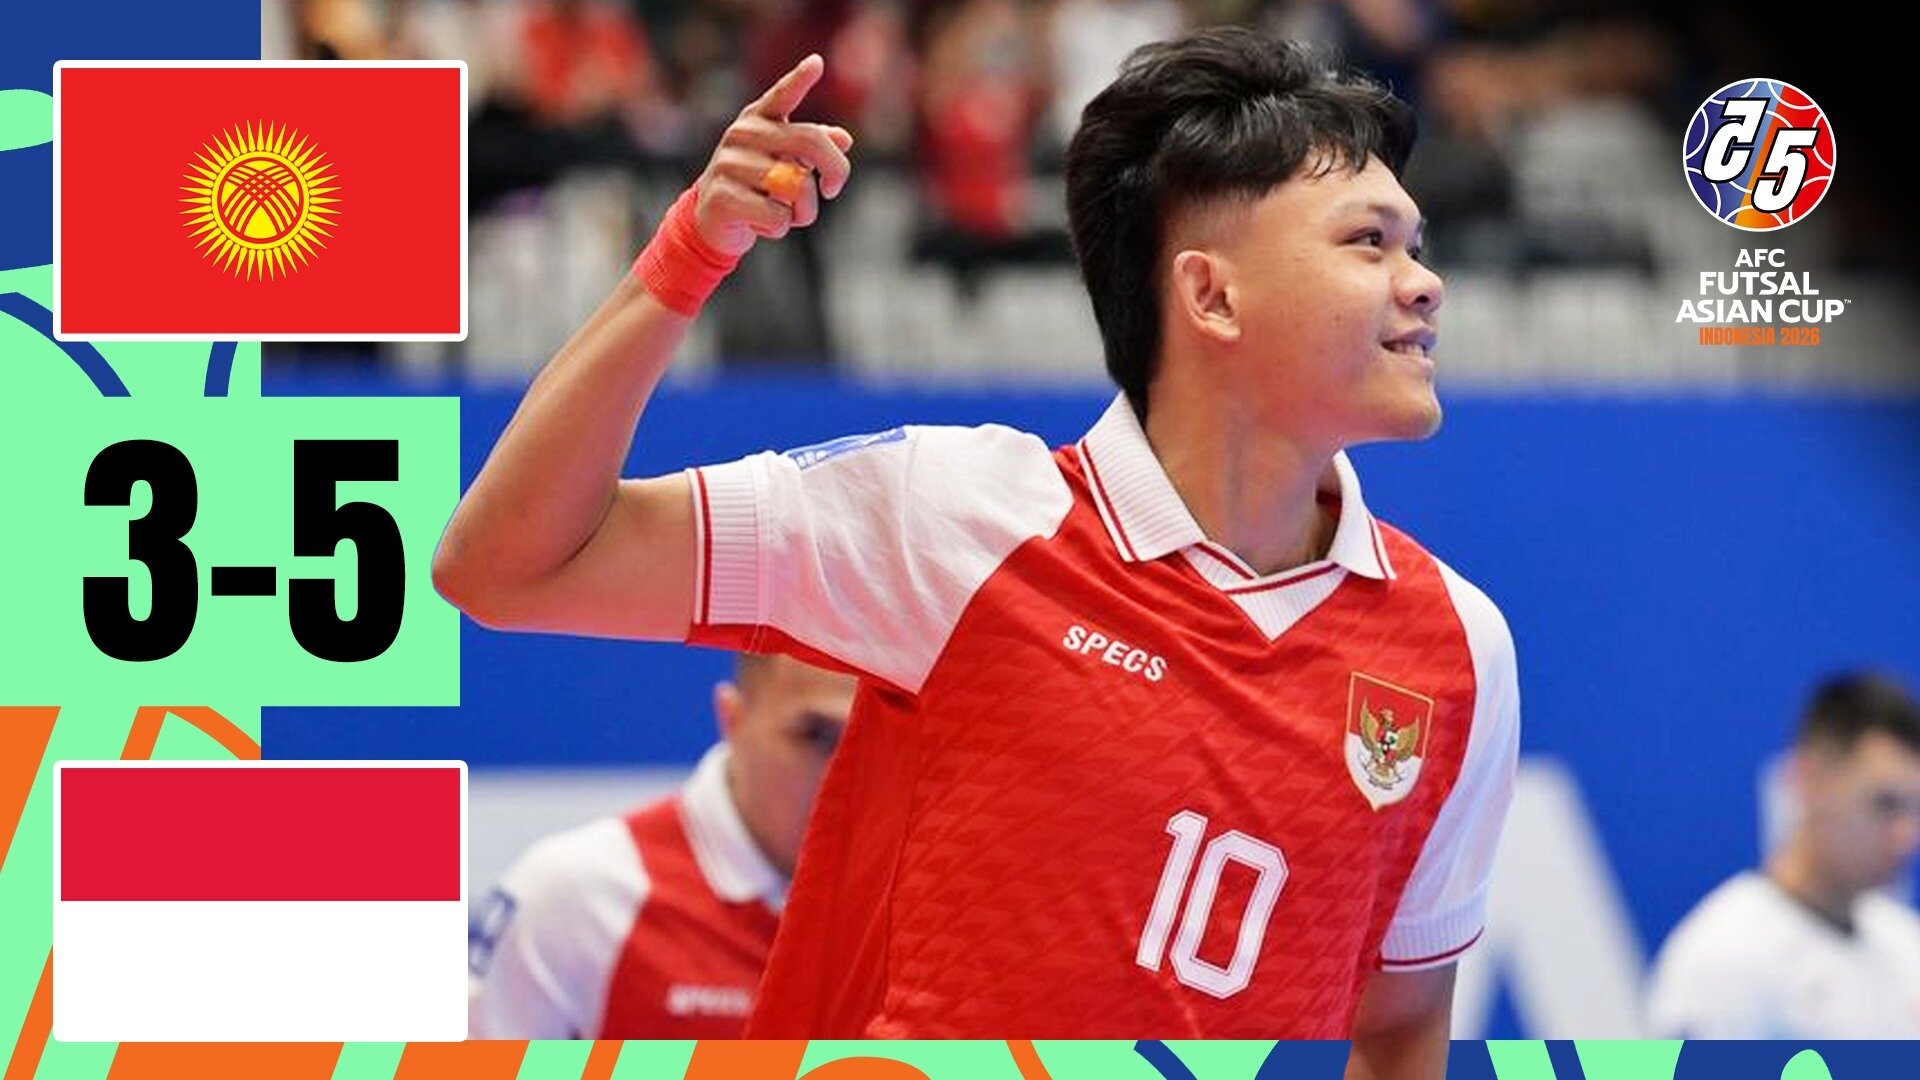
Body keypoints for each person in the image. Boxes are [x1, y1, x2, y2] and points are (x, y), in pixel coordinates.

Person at [433, 27, 1520, 1072]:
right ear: (1210, 294)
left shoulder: (1457, 648)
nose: (1423, 282)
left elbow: (1398, 1028)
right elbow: (508, 566)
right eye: (1368, 242)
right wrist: (687, 255)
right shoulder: (956, 518)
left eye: (1416, 246)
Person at [466, 653, 857, 1038]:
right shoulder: (578, 898)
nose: (852, 773)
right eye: (818, 737)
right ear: (734, 720)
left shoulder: (894, 909)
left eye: (880, 742)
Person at [1645, 673, 1920, 1038]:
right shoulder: (1721, 961)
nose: (1906, 837)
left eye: (1914, 809)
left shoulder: (1906, 945)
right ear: (1808, 781)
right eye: (1884, 805)